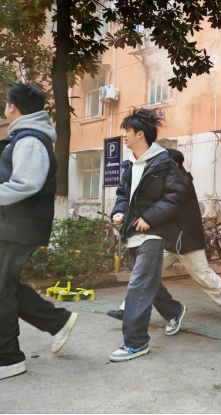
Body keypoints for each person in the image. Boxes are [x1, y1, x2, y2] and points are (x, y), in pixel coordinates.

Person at [107, 149, 221, 327]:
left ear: (174, 164)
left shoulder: (182, 183)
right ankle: (127, 309)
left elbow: (165, 209)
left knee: (203, 276)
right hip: (168, 240)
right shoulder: (167, 182)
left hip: (186, 240)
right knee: (144, 273)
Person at [0, 83, 78, 380]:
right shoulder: (23, 137)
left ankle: (8, 358)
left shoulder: (30, 140)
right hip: (13, 225)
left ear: (12, 107)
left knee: (1, 290)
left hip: (17, 227)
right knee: (5, 286)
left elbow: (26, 183)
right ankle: (57, 321)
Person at [110, 109, 187, 362]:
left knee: (138, 285)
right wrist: (119, 212)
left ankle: (136, 342)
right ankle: (174, 311)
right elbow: (123, 195)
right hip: (132, 232)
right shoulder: (130, 164)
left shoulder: (163, 162)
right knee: (146, 283)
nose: (124, 136)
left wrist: (149, 218)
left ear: (140, 134)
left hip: (153, 233)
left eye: (127, 131)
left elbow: (176, 197)